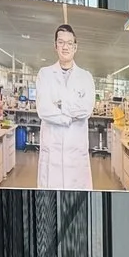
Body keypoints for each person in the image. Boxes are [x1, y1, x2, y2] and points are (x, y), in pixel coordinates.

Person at [32, 23, 96, 190]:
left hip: (76, 155)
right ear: (55, 46)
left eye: (69, 43)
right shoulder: (44, 74)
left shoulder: (85, 77)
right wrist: (69, 116)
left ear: (75, 47)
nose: (65, 47)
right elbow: (44, 110)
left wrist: (59, 104)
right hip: (51, 155)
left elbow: (86, 109)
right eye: (61, 42)